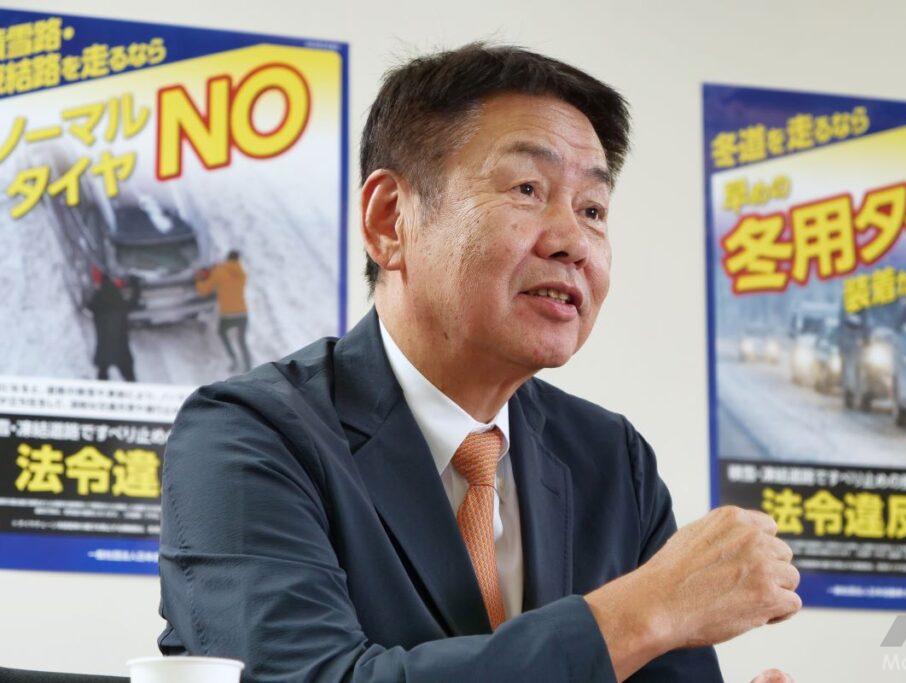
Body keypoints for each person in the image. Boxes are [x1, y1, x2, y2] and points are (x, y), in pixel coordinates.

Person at [158, 44, 799, 682]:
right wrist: (644, 610)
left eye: (593, 210)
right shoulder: (249, 435)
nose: (573, 242)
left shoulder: (611, 461)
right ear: (390, 220)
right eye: (527, 189)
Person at [195, 250, 253, 372]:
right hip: (242, 314)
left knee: (222, 333)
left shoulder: (218, 271)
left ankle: (234, 360)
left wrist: (198, 279)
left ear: (227, 258)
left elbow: (204, 290)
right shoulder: (242, 274)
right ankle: (248, 365)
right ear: (238, 260)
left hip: (228, 315)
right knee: (241, 340)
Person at [86, 272, 140, 382]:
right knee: (129, 378)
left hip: (104, 348)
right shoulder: (120, 303)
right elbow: (134, 302)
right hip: (121, 348)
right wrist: (136, 286)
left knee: (102, 375)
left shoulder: (97, 302)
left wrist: (97, 290)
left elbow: (88, 305)